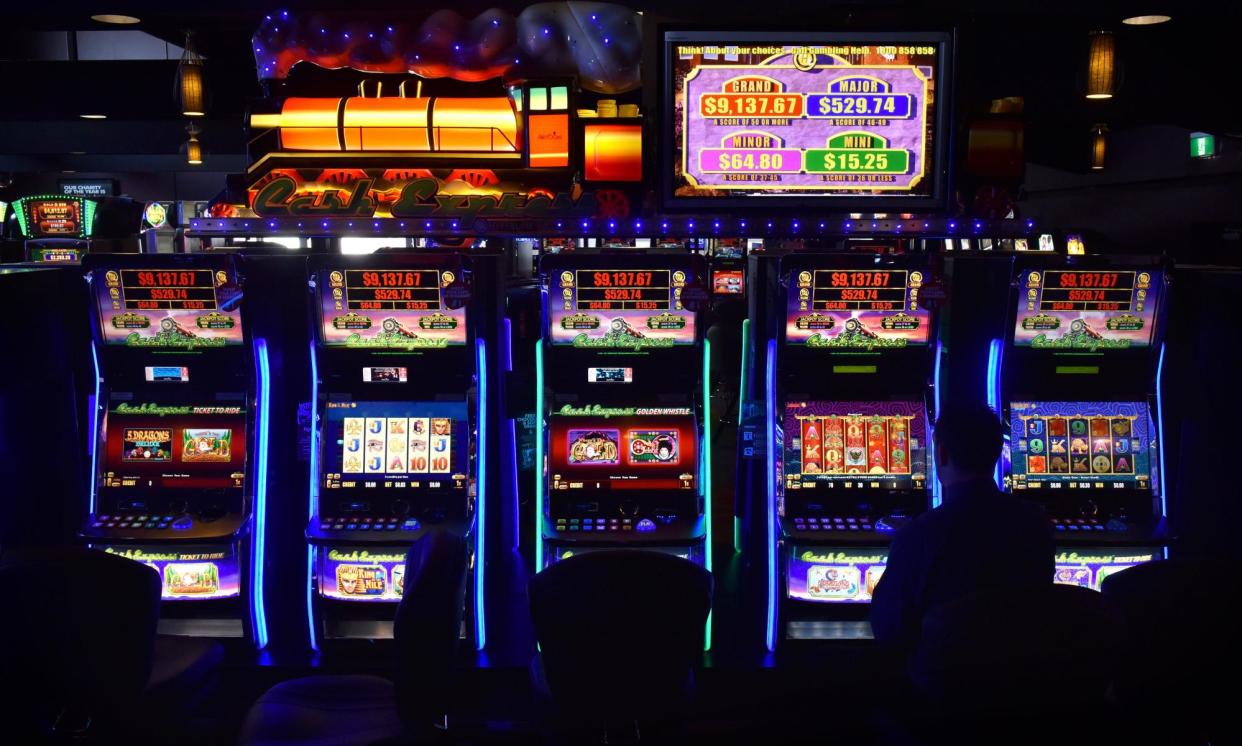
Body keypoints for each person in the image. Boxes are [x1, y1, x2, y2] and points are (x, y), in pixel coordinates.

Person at [870, 403, 1053, 658]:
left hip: (936, 686)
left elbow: (889, 631)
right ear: (1000, 452)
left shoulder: (918, 536)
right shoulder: (1035, 523)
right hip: (1019, 682)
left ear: (941, 454)